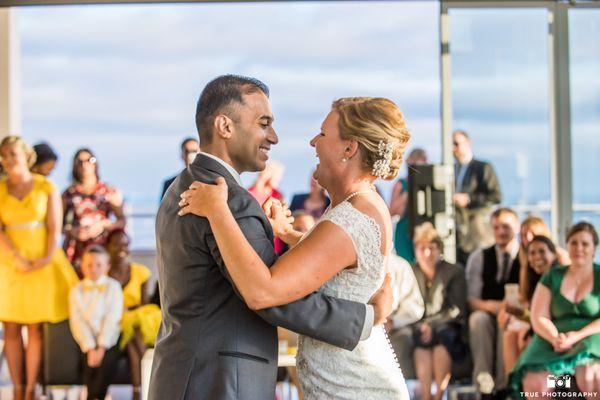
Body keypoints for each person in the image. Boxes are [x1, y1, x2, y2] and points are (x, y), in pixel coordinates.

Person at [149, 75, 396, 400]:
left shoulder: (182, 185)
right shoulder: (227, 201)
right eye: (264, 123)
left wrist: (284, 235)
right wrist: (366, 317)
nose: (274, 137)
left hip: (187, 373)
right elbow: (269, 294)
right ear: (225, 126)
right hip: (220, 382)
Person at [0, 136, 78, 400]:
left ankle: (31, 387)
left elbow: (54, 228)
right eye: (5, 155)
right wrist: (16, 257)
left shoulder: (46, 186)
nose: (9, 159)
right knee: (10, 327)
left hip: (41, 259)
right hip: (8, 260)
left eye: (13, 154)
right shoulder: (0, 188)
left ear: (26, 156)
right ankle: (17, 388)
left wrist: (44, 259)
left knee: (34, 328)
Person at [509, 222, 600, 395]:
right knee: (537, 382)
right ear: (567, 245)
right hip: (554, 339)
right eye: (574, 243)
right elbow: (538, 316)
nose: (578, 248)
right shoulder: (553, 275)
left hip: (592, 336)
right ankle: (563, 384)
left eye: (585, 243)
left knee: (590, 376)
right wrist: (554, 338)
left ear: (594, 248)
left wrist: (576, 337)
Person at [404, 222, 468, 400]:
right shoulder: (410, 271)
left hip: (447, 325)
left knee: (442, 340)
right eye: (422, 248)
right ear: (415, 249)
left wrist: (431, 324)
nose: (427, 253)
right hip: (418, 327)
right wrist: (423, 325)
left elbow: (456, 309)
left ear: (439, 249)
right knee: (421, 343)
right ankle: (425, 396)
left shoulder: (453, 271)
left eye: (431, 248)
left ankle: (439, 395)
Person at [466, 207, 523, 399]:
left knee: (507, 324)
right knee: (478, 320)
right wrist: (495, 307)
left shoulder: (526, 256)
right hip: (488, 311)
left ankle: (504, 386)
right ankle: (484, 385)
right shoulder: (479, 257)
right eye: (496, 227)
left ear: (517, 227)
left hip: (517, 313)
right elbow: (472, 300)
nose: (500, 232)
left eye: (506, 227)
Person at [106, 229, 160, 400]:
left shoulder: (140, 271)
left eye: (126, 245)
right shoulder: (104, 273)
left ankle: (137, 391)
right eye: (117, 245)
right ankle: (149, 386)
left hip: (137, 320)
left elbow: (144, 304)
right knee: (131, 336)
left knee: (133, 338)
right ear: (108, 247)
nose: (122, 248)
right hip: (114, 322)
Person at [69, 245, 123, 400]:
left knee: (105, 365)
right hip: (85, 341)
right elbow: (77, 320)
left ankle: (95, 396)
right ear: (82, 266)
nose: (93, 269)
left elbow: (112, 319)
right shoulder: (76, 290)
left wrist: (101, 346)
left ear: (107, 266)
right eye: (89, 265)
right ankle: (92, 395)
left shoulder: (114, 287)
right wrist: (90, 346)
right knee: (88, 367)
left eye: (99, 265)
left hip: (110, 340)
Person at [500, 235, 559, 376]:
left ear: (553, 254)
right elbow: (535, 316)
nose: (537, 256)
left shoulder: (559, 278)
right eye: (532, 253)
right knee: (509, 335)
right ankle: (514, 388)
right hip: (539, 327)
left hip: (557, 331)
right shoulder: (533, 280)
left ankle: (551, 390)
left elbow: (550, 316)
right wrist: (519, 313)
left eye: (542, 251)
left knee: (522, 338)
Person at [62, 148, 126, 274]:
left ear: (95, 164)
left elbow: (121, 220)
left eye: (89, 160)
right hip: (76, 250)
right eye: (80, 162)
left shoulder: (107, 191)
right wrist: (73, 231)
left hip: (102, 248)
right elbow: (58, 225)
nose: (85, 165)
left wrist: (102, 225)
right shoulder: (68, 194)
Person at [453, 130, 502, 266]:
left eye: (456, 143)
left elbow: (496, 196)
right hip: (458, 232)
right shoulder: (452, 169)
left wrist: (469, 199)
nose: (453, 148)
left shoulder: (482, 168)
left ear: (468, 143)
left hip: (478, 231)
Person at [389, 147, 428, 263]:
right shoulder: (401, 184)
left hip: (423, 229)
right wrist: (408, 192)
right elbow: (393, 212)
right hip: (405, 230)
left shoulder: (427, 184)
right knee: (407, 264)